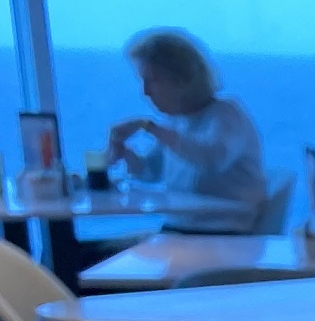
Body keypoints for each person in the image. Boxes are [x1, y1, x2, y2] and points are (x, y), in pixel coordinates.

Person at [104, 29, 267, 234]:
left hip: (221, 234)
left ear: (182, 79)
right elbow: (151, 172)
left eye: (152, 81)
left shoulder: (226, 115)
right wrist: (124, 152)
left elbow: (211, 157)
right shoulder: (176, 122)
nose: (144, 92)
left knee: (93, 259)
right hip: (180, 230)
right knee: (87, 255)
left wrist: (149, 127)